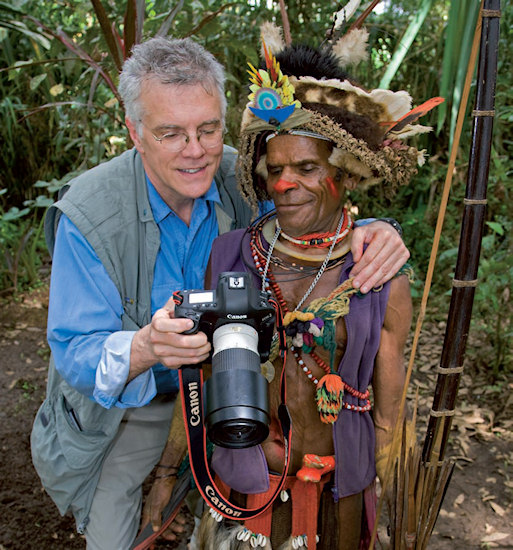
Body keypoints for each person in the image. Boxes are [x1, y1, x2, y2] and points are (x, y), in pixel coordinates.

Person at [30, 36, 408, 550]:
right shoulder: (91, 216)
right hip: (130, 407)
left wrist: (380, 229)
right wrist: (146, 347)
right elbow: (74, 351)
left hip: (234, 392)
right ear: (135, 133)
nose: (195, 151)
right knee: (118, 537)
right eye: (171, 134)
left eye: (208, 129)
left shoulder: (242, 173)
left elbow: (313, 207)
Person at [147, 27, 437, 550]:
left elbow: (390, 419)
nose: (285, 184)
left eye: (307, 168)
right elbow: (203, 373)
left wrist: (394, 509)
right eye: (275, 169)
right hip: (251, 485)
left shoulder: (378, 275)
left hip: (339, 494)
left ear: (344, 173)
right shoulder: (233, 255)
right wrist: (168, 472)